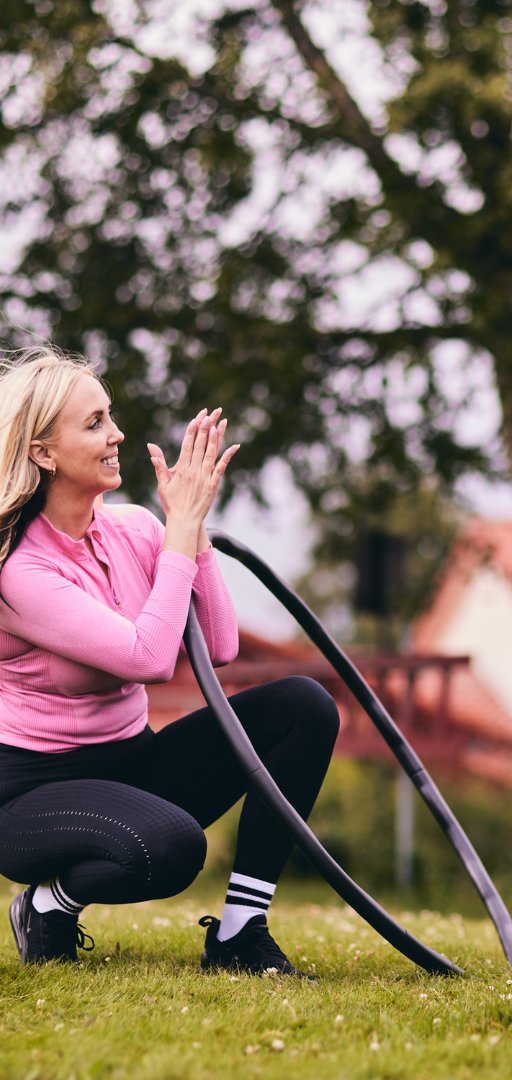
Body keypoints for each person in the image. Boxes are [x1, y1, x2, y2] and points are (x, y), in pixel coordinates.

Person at [0, 346, 339, 974]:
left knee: (302, 706)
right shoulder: (21, 574)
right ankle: (48, 904)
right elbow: (149, 658)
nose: (117, 434)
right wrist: (178, 531)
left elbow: (220, 648)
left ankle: (240, 930)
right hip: (29, 794)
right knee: (174, 848)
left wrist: (193, 529)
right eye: (95, 422)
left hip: (132, 760)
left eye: (111, 416)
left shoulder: (133, 528)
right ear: (43, 453)